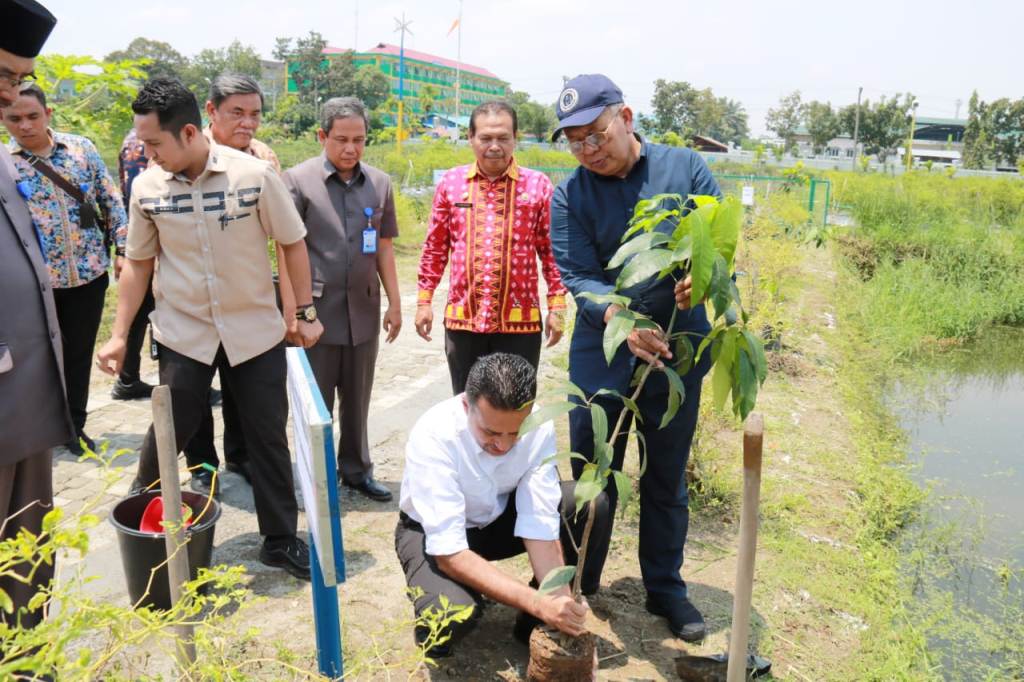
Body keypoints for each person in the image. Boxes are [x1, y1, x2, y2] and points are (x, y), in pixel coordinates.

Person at [95, 77, 323, 579]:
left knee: (266, 436)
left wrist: (302, 312)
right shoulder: (147, 187)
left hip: (254, 330)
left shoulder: (255, 176)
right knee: (166, 433)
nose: (147, 154)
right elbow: (137, 263)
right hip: (184, 331)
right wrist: (117, 334)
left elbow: (292, 243)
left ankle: (280, 540)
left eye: (155, 143)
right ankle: (149, 532)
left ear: (191, 132)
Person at [548, 74, 721, 642]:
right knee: (594, 471)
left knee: (666, 474)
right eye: (575, 142)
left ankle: (666, 589)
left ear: (625, 117)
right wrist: (623, 325)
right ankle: (583, 581)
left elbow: (717, 245)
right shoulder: (570, 193)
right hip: (603, 352)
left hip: (677, 348)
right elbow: (578, 275)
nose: (589, 151)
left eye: (596, 135)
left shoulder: (686, 170)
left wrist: (704, 276)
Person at [395, 353, 608, 656]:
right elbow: (449, 552)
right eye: (491, 432)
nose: (503, 445)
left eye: (515, 433)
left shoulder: (538, 426)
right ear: (466, 406)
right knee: (447, 616)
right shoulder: (435, 435)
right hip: (431, 535)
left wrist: (557, 597)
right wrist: (536, 600)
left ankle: (533, 624)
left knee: (589, 502)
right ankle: (460, 608)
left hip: (496, 522)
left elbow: (539, 521)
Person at [282, 97, 401, 503]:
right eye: (341, 139)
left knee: (358, 397)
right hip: (316, 312)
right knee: (317, 404)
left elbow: (384, 248)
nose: (351, 149)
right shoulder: (296, 182)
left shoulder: (380, 183)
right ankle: (316, 478)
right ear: (322, 136)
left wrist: (395, 303)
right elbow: (285, 249)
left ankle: (356, 470)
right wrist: (296, 313)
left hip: (363, 311)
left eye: (360, 140)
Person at [2, 82, 127, 456]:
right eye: (14, 119)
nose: (24, 126)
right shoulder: (5, 164)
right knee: (39, 359)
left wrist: (123, 246)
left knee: (77, 353)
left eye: (32, 116)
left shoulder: (81, 149)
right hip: (34, 284)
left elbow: (110, 198)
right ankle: (42, 428)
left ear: (48, 114)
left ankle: (74, 426)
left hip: (89, 274)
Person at [415, 101, 567, 394]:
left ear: (516, 138)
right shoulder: (452, 183)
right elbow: (435, 247)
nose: (494, 146)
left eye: (503, 138)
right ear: (471, 138)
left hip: (519, 324)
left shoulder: (538, 186)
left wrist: (557, 308)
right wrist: (424, 301)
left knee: (515, 408)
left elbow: (553, 253)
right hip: (463, 322)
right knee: (464, 406)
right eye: (485, 138)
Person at [182, 73, 287, 494]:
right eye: (236, 113)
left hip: (247, 294)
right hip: (190, 297)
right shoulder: (180, 151)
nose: (247, 123)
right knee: (192, 388)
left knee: (245, 382)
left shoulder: (265, 159)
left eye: (254, 114)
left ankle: (241, 455)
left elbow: (281, 232)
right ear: (212, 112)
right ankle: (202, 464)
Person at [0, 0, 69, 628]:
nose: (8, 95)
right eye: (1, 75)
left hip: (27, 387)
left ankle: (28, 651)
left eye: (19, 80)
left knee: (27, 535)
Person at [109, 126, 157, 402]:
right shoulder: (142, 143)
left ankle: (128, 377)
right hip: (145, 241)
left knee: (139, 312)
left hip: (136, 239)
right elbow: (140, 198)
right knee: (143, 311)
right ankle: (128, 379)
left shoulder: (133, 138)